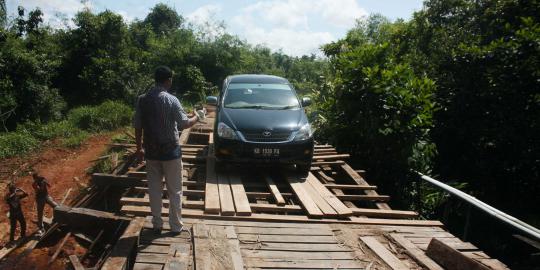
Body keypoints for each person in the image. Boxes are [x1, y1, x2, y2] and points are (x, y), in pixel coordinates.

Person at [133, 66, 202, 234]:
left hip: (151, 152)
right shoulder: (172, 100)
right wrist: (197, 116)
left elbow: (137, 126)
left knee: (154, 189)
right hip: (171, 152)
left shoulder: (142, 100)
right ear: (168, 80)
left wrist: (139, 148)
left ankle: (157, 224)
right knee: (175, 190)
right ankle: (176, 226)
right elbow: (184, 123)